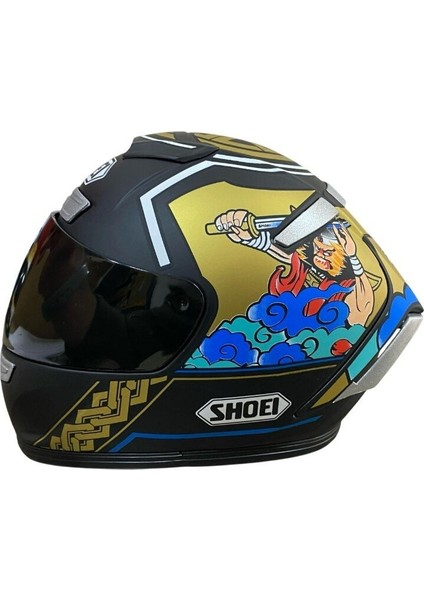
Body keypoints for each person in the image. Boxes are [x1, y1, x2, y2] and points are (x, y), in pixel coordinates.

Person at [214, 209, 374, 327]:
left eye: (328, 252)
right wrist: (251, 239)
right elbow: (284, 253)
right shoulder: (306, 267)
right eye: (317, 248)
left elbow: (363, 306)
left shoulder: (349, 287)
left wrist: (353, 256)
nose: (319, 255)